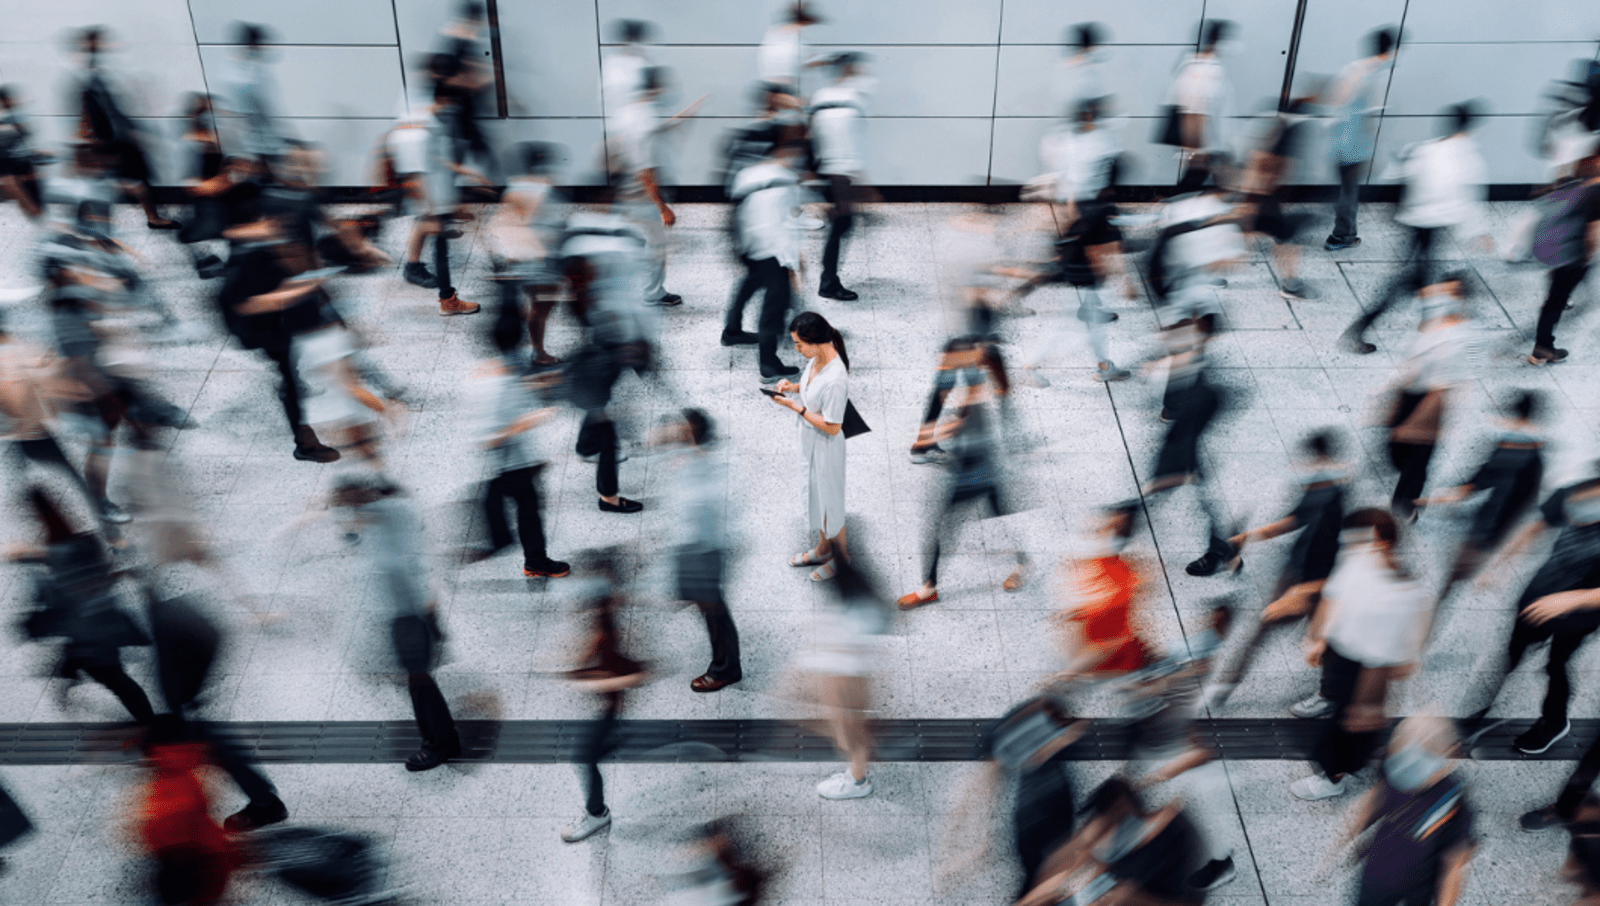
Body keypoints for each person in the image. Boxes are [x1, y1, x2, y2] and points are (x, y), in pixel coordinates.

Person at [1291, 510, 1432, 801]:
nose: (1351, 544)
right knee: (1345, 720)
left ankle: (1333, 779)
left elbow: (1387, 659)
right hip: (1340, 654)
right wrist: (1317, 638)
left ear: (1383, 542)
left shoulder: (1400, 594)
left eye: (1359, 539)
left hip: (1363, 671)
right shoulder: (1359, 559)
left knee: (1345, 730)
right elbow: (1333, 596)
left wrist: (1366, 703)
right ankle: (1339, 720)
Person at [1206, 430, 1348, 713]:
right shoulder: (1318, 488)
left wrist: (1307, 588)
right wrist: (1248, 536)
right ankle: (1223, 686)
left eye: (1314, 461)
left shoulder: (1337, 500)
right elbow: (1295, 519)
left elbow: (1345, 550)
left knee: (1327, 637)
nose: (1307, 467)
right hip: (1297, 572)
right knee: (1264, 628)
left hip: (1318, 581)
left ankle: (1331, 694)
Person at [331, 475, 461, 772]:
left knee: (420, 681)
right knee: (417, 680)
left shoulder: (394, 514)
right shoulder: (380, 521)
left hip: (411, 614)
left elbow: (366, 525)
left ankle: (440, 744)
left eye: (349, 497)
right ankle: (442, 740)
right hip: (405, 614)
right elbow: (351, 534)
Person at [1465, 473, 1600, 754]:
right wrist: (1498, 566)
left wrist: (1572, 600)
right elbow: (1534, 528)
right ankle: (1482, 707)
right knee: (1512, 652)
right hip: (1538, 595)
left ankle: (1554, 722)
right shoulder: (1578, 491)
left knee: (1556, 666)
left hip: (1577, 618)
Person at [1340, 103, 1490, 355]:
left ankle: (1421, 331)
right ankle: (1369, 331)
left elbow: (1394, 175)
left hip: (1415, 224)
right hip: (1434, 227)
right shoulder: (1468, 158)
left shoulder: (1425, 149)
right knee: (1418, 282)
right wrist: (1477, 233)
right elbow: (1468, 201)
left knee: (1420, 279)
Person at [895, 348, 1028, 609]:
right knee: (988, 520)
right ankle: (929, 587)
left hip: (981, 473)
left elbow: (994, 437)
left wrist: (950, 430)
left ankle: (929, 588)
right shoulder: (973, 383)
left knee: (952, 526)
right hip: (970, 470)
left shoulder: (988, 395)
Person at [12, 488, 155, 725]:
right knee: (111, 678)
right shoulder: (86, 542)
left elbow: (62, 598)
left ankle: (150, 726)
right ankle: (144, 723)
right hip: (102, 625)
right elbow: (100, 575)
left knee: (115, 680)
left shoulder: (56, 554)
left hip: (89, 633)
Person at [215, 213, 341, 462]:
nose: (296, 255)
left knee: (295, 356)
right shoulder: (253, 264)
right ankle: (303, 443)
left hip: (276, 314)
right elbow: (248, 306)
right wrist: (296, 291)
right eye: (290, 250)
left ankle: (293, 384)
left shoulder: (289, 254)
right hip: (251, 326)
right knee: (288, 374)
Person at [1321, 716, 1475, 906]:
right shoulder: (1398, 764)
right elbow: (1375, 801)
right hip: (1377, 873)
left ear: (1446, 757)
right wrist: (1343, 841)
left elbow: (1452, 869)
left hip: (1419, 886)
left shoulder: (1454, 805)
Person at [1417, 390, 1546, 606]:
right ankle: (1440, 596)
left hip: (1488, 528)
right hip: (1486, 523)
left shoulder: (1516, 454)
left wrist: (1440, 498)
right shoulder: (1522, 450)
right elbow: (1480, 481)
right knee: (1454, 571)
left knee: (1455, 573)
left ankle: (1438, 601)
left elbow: (1478, 483)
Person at [464, 318, 569, 578]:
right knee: (527, 508)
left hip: (511, 460)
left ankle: (526, 555)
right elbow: (492, 436)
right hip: (507, 461)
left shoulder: (487, 371)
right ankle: (532, 559)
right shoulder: (498, 384)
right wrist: (530, 421)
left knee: (525, 505)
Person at [561, 549, 648, 842]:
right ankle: (615, 743)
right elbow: (593, 645)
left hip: (609, 707)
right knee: (592, 752)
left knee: (583, 758)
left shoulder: (613, 622)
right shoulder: (604, 611)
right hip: (607, 706)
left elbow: (636, 674)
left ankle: (597, 814)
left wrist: (591, 683)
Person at [1143, 316, 1239, 577]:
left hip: (1185, 448)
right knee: (1196, 498)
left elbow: (1190, 419)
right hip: (1184, 445)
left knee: (1177, 495)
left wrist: (1184, 464)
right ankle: (1222, 549)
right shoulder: (1185, 364)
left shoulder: (1199, 376)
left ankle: (1220, 550)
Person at [659, 409, 742, 693]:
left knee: (714, 609)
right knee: (710, 607)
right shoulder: (691, 458)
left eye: (682, 428)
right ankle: (726, 665)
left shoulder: (706, 466)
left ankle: (725, 669)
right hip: (696, 547)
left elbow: (711, 512)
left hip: (704, 549)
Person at [1383, 275, 1477, 522]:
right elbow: (1411, 354)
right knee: (1398, 446)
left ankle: (1405, 502)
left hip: (1437, 399)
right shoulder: (1431, 317)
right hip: (1410, 391)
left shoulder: (1470, 335)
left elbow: (1468, 373)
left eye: (1452, 294)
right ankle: (1401, 473)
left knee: (1419, 456)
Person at [768, 311, 850, 581]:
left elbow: (833, 426)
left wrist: (796, 408)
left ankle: (842, 558)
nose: (796, 349)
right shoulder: (817, 358)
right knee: (817, 497)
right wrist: (792, 388)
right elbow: (811, 389)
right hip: (811, 442)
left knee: (831, 502)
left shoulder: (836, 378)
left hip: (826, 447)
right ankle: (823, 548)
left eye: (799, 344)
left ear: (815, 341)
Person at [69, 27, 178, 230]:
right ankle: (153, 218)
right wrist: (130, 134)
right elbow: (106, 111)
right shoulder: (91, 76)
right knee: (133, 181)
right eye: (99, 41)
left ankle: (80, 216)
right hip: (113, 140)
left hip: (110, 139)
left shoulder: (93, 71)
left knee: (116, 181)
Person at [798, 558, 888, 799]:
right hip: (851, 681)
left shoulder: (853, 611)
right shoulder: (860, 601)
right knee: (851, 734)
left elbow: (843, 656)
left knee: (851, 736)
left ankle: (858, 782)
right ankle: (855, 773)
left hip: (847, 684)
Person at [1051, 502, 1154, 683]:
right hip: (1107, 587)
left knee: (1102, 635)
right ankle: (1072, 672)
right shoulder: (1105, 557)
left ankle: (1072, 672)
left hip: (1110, 621)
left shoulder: (1118, 571)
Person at [727, 139, 803, 382]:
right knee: (774, 306)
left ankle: (732, 330)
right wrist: (793, 263)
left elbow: (735, 210)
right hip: (773, 248)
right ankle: (769, 364)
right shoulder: (787, 180)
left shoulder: (746, 174)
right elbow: (788, 224)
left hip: (748, 243)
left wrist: (736, 248)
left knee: (751, 281)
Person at [608, 66, 685, 308]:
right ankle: (653, 293)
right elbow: (646, 172)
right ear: (656, 86)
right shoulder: (643, 118)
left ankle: (621, 288)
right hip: (642, 196)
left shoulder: (626, 112)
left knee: (632, 244)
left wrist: (674, 123)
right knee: (656, 246)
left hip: (623, 191)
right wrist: (662, 208)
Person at [488, 142, 568, 366]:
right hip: (539, 260)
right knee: (541, 308)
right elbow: (551, 231)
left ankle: (522, 345)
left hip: (512, 259)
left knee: (527, 306)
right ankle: (538, 352)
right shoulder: (547, 189)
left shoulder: (514, 187)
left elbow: (499, 224)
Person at [1239, 92, 1319, 300]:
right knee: (1286, 241)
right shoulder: (1286, 138)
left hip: (1263, 200)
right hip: (1265, 201)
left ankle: (1209, 272)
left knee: (1259, 236)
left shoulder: (1275, 131)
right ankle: (1291, 285)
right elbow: (1268, 168)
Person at [1323, 28, 1398, 251]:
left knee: (1346, 188)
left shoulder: (1352, 70)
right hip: (1354, 144)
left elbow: (1335, 103)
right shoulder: (1374, 76)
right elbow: (1369, 118)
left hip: (1341, 139)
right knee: (1349, 190)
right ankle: (1341, 235)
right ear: (1388, 51)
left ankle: (1344, 232)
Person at [1527, 152, 1600, 364]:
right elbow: (1591, 233)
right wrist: (1586, 258)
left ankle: (1544, 343)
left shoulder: (1577, 180)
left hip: (1559, 250)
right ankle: (1542, 347)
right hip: (1573, 256)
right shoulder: (1596, 192)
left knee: (1556, 298)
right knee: (1556, 300)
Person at [810, 53, 870, 301]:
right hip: (838, 173)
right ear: (848, 69)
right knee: (842, 224)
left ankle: (829, 278)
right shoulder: (850, 100)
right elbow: (846, 143)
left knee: (840, 224)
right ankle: (828, 282)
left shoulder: (822, 96)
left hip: (828, 170)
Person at [1168, 20, 1235, 179]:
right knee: (1195, 181)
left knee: (1200, 181)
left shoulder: (1206, 66)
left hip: (1212, 143)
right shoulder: (1202, 68)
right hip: (1205, 144)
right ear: (1217, 41)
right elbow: (1192, 108)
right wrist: (1196, 149)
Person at [0, 85, 44, 220]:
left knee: (30, 191)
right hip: (13, 161)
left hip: (19, 160)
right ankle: (34, 211)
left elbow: (27, 131)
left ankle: (35, 211)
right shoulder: (8, 116)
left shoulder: (15, 115)